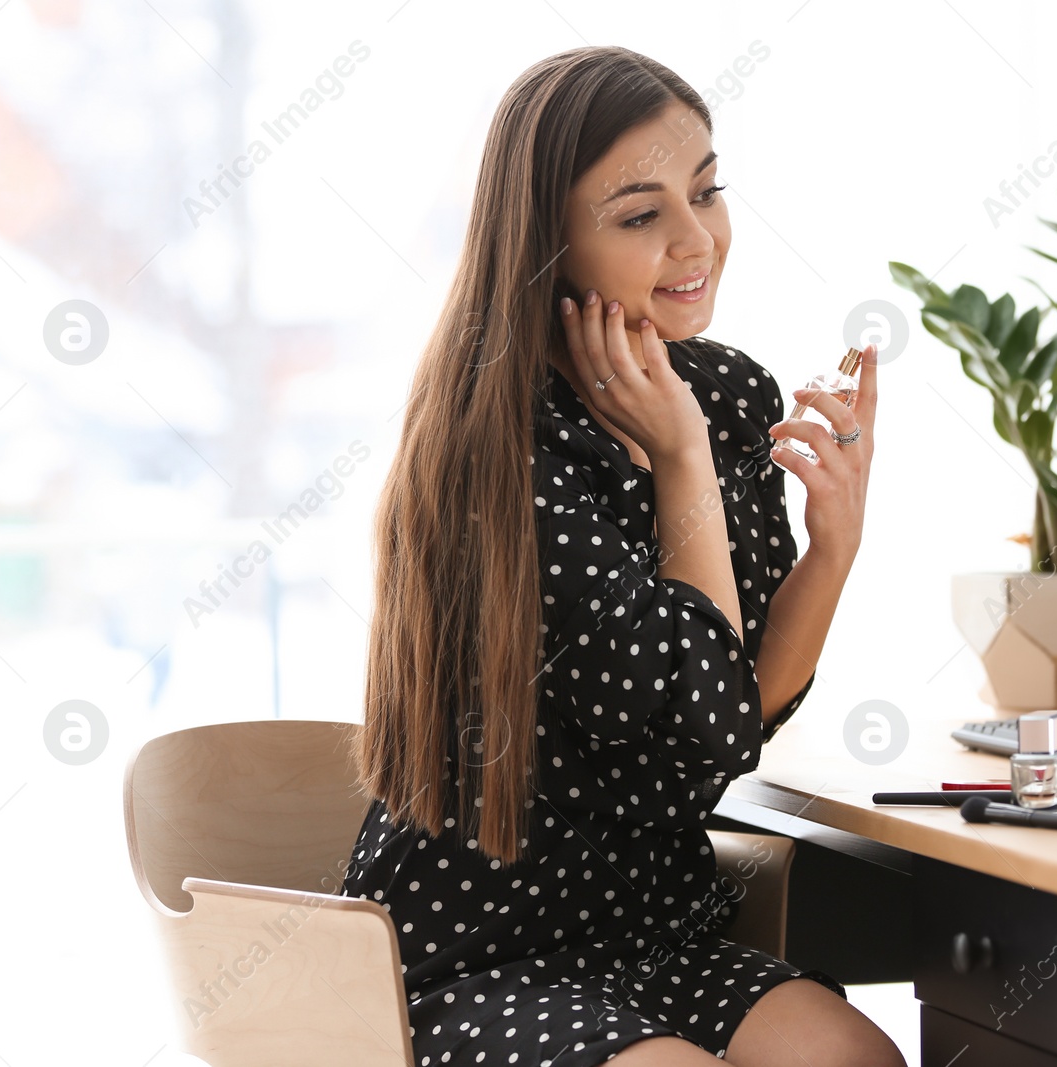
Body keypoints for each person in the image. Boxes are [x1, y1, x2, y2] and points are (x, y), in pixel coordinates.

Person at [345, 45, 893, 1067]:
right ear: (547, 243)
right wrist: (680, 456)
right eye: (642, 215)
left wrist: (835, 546)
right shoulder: (506, 448)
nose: (698, 240)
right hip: (474, 951)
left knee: (852, 1057)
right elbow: (705, 722)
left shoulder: (727, 395)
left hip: (648, 930)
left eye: (707, 190)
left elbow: (739, 714)